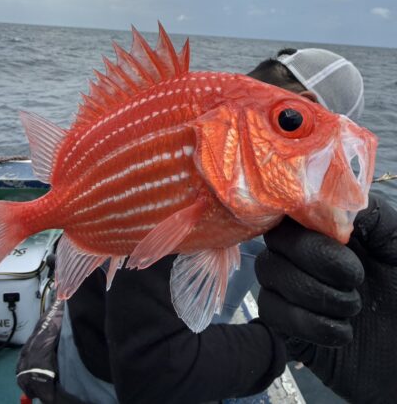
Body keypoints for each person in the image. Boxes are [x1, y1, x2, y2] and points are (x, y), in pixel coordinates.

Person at [22, 48, 397, 404]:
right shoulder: (186, 176)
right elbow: (151, 376)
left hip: (86, 339)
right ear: (301, 103)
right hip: (101, 387)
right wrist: (288, 341)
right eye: (293, 123)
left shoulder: (232, 172)